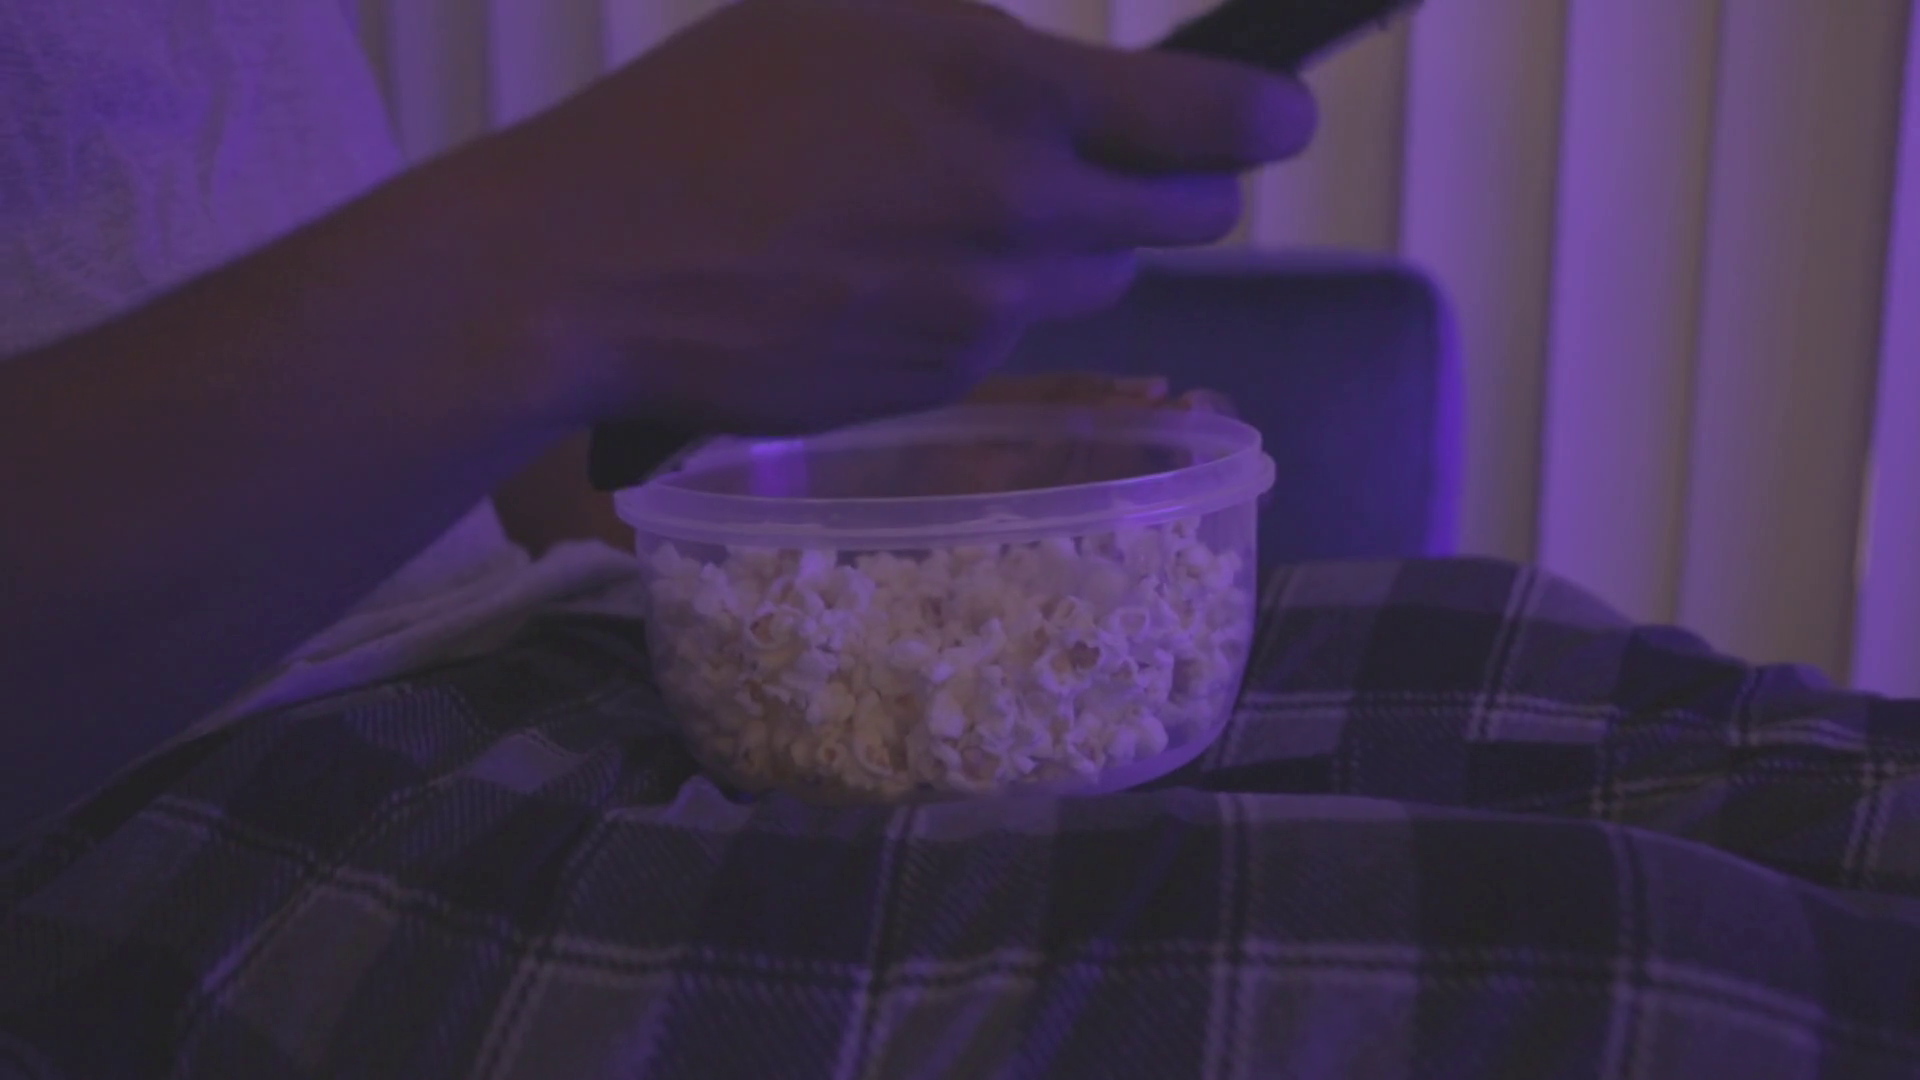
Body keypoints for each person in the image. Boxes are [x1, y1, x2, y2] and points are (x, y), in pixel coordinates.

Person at [3, 2, 1919, 1078]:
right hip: (149, 812)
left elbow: (383, 421)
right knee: (1699, 987)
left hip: (552, 633)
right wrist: (563, 249)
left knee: (1726, 739)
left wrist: (826, 487)